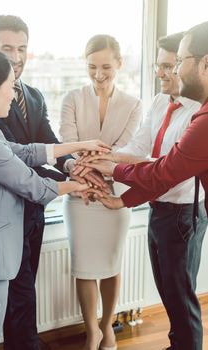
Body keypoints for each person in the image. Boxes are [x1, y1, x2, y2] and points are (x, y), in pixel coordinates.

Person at [82, 21, 208, 350]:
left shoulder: (200, 115)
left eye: (174, 64)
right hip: (158, 207)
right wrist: (101, 157)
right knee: (171, 295)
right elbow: (140, 154)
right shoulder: (158, 103)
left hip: (184, 216)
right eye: (162, 65)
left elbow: (164, 170)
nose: (166, 73)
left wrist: (113, 171)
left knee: (181, 299)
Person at [0, 47, 110, 350]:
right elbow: (31, 185)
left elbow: (25, 151)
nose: (13, 93)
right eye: (10, 86)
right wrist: (80, 185)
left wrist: (79, 145)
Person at [59, 34, 142, 350]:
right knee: (85, 265)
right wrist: (88, 165)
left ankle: (107, 327)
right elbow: (69, 143)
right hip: (80, 195)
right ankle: (91, 329)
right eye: (92, 66)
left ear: (120, 64)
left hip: (116, 196)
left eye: (106, 66)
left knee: (111, 264)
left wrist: (91, 160)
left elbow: (125, 150)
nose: (98, 74)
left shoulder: (133, 105)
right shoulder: (72, 98)